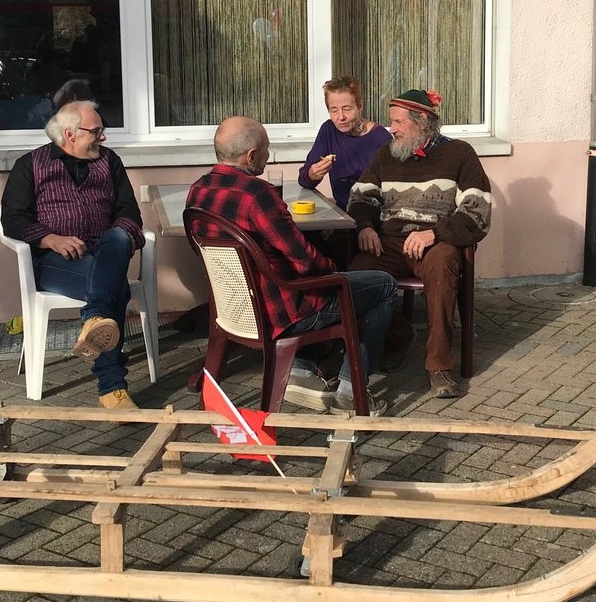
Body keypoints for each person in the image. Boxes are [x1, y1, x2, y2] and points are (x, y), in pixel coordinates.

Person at [185, 116, 397, 414]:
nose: (268, 154)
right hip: (281, 312)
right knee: (383, 285)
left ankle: (302, 370)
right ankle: (351, 393)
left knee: (324, 279)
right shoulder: (258, 195)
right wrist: (333, 271)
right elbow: (305, 261)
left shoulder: (198, 190)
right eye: (267, 148)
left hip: (234, 308)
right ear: (251, 156)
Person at [0, 100, 144, 409]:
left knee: (119, 235)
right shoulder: (30, 165)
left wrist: (123, 236)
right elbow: (12, 219)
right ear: (70, 134)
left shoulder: (110, 161)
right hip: (54, 263)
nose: (103, 137)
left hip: (105, 251)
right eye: (97, 131)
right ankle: (112, 388)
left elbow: (129, 212)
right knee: (116, 288)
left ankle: (94, 319)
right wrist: (50, 239)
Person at [348, 89, 491, 399]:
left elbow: (477, 210)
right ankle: (400, 334)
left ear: (422, 121)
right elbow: (361, 195)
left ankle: (439, 366)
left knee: (442, 267)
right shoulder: (387, 154)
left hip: (435, 242)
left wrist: (435, 234)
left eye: (398, 122)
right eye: (391, 121)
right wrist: (365, 226)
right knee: (353, 278)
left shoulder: (460, 154)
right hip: (389, 241)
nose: (391, 129)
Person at [298, 76, 392, 209]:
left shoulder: (380, 138)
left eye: (347, 109)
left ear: (359, 107)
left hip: (375, 213)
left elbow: (393, 191)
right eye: (334, 110)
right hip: (342, 212)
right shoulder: (328, 130)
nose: (341, 117)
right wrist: (312, 175)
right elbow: (303, 180)